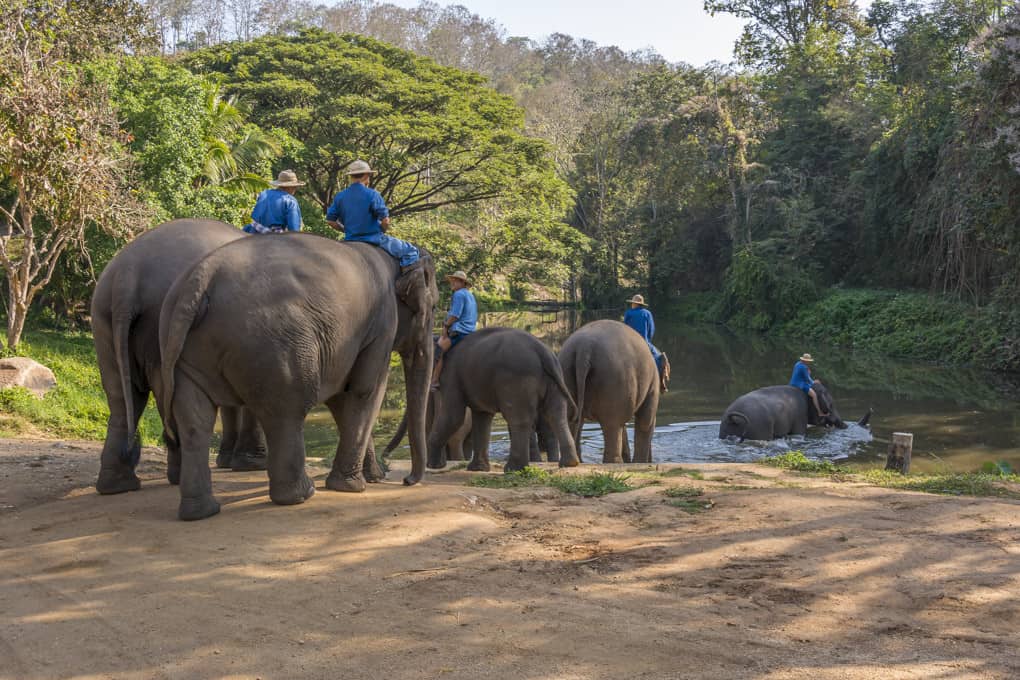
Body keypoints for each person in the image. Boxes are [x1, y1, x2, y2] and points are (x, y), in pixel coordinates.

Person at [325, 160, 420, 267]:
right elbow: (385, 220)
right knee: (411, 251)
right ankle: (403, 279)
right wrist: (383, 229)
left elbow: (330, 221)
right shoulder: (372, 194)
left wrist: (345, 229)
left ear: (351, 176)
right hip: (373, 238)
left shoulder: (340, 196)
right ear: (366, 175)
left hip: (350, 239)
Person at [431, 270, 477, 389]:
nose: (452, 283)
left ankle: (434, 380)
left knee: (438, 350)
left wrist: (445, 327)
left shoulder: (458, 294)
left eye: (455, 281)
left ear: (462, 282)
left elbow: (455, 315)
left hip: (459, 329)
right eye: (452, 280)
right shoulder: (469, 294)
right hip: (470, 329)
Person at [623, 294, 666, 381]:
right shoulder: (647, 313)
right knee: (658, 357)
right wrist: (648, 340)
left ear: (635, 304)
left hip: (629, 342)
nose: (632, 304)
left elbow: (624, 328)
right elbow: (651, 329)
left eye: (632, 303)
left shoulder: (628, 313)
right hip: (643, 342)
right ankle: (659, 380)